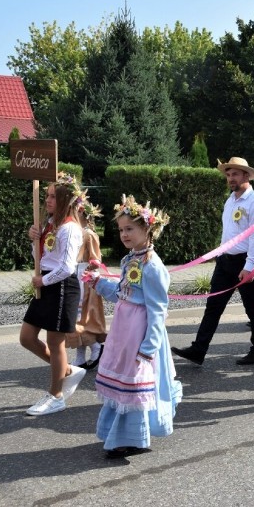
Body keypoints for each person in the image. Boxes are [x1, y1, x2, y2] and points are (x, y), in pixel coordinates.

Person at [87, 195, 182, 459]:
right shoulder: (131, 259)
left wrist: (148, 348)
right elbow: (123, 293)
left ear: (148, 229)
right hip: (123, 331)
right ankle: (121, 436)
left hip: (139, 332)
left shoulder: (152, 265)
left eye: (130, 229)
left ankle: (131, 438)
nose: (124, 234)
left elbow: (157, 310)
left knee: (135, 382)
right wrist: (98, 283)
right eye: (121, 229)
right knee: (122, 380)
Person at [172, 157, 254, 366]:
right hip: (225, 261)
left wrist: (249, 267)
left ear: (246, 175)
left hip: (245, 262)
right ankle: (199, 349)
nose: (230, 178)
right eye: (228, 174)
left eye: (234, 174)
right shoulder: (231, 200)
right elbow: (229, 232)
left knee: (252, 308)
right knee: (213, 306)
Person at [19, 173, 86, 416]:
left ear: (65, 199)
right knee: (26, 337)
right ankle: (66, 370)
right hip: (46, 284)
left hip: (61, 287)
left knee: (55, 341)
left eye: (52, 196)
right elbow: (41, 257)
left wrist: (43, 280)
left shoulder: (70, 229)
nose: (47, 200)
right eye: (46, 195)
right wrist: (33, 240)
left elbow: (67, 267)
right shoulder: (50, 224)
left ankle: (56, 395)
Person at [67, 198, 107, 369]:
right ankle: (81, 355)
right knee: (74, 319)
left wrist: (90, 274)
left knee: (82, 319)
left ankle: (96, 347)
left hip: (84, 279)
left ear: (82, 212)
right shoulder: (74, 231)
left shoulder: (88, 234)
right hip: (74, 275)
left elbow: (96, 259)